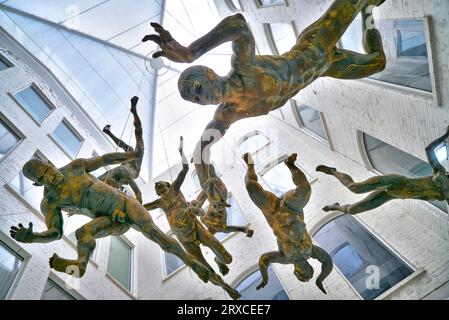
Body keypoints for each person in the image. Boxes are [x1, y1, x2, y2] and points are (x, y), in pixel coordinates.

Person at [143, 0, 386, 163]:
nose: (201, 98)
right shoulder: (229, 113)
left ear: (209, 74)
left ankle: (365, 5)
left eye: (197, 89)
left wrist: (190, 53)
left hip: (315, 45)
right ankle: (368, 13)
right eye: (196, 99)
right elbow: (204, 147)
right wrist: (199, 167)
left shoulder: (243, 68)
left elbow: (238, 24)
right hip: (327, 66)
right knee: (378, 63)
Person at [9, 150, 211, 283]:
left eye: (47, 170)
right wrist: (33, 237)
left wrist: (131, 154)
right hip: (107, 220)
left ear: (50, 163)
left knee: (154, 234)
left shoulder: (75, 167)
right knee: (83, 232)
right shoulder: (50, 201)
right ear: (38, 183)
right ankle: (79, 265)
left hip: (124, 204)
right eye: (42, 179)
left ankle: (191, 262)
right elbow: (55, 232)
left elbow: (105, 159)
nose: (49, 177)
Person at [143, 137, 241, 300]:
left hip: (195, 227)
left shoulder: (175, 189)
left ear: (167, 185)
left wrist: (181, 151)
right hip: (183, 238)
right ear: (158, 193)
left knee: (227, 258)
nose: (157, 185)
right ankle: (226, 286)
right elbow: (142, 207)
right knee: (202, 268)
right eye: (156, 186)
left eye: (159, 183)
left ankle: (218, 260)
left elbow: (185, 168)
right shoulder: (159, 202)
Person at [242, 152, 333, 294]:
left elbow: (264, 259)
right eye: (308, 274)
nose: (305, 274)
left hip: (273, 213)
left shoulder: (285, 258)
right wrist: (320, 279)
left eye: (302, 276)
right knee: (305, 190)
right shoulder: (311, 252)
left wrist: (265, 278)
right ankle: (290, 164)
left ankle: (250, 166)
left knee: (251, 187)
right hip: (293, 209)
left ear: (295, 273)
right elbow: (327, 262)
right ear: (310, 267)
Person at [317, 126, 449, 214]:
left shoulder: (447, 196)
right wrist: (446, 135)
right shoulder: (441, 175)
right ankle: (333, 171)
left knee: (352, 210)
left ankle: (336, 206)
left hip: (393, 195)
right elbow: (429, 150)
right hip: (396, 183)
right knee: (354, 188)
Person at [100, 96, 144, 203]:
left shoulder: (112, 176)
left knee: (130, 145)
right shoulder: (125, 177)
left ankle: (109, 132)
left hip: (130, 163)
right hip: (135, 160)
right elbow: (138, 193)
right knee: (136, 137)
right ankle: (133, 112)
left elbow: (93, 182)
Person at [190, 167, 254, 238]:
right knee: (213, 179)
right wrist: (246, 230)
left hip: (213, 197)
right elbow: (240, 228)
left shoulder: (205, 220)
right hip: (221, 197)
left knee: (205, 193)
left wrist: (193, 206)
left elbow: (199, 210)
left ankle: (209, 177)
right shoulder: (221, 228)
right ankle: (211, 178)